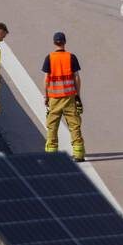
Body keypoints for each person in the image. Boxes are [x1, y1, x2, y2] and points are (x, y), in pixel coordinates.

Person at [42, 31, 85, 159]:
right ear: (65, 42)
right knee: (74, 125)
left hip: (54, 98)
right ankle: (78, 154)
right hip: (69, 97)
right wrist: (78, 95)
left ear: (54, 42)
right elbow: (77, 77)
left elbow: (46, 79)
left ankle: (51, 154)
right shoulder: (71, 57)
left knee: (52, 126)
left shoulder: (49, 58)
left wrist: (46, 96)